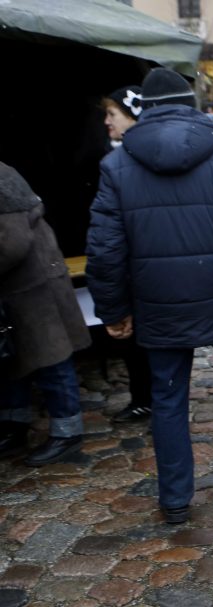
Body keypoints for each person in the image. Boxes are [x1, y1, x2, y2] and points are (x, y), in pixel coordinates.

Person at [86, 68, 213, 524]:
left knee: (168, 396)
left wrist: (113, 308)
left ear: (146, 109)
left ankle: (175, 495)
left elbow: (105, 247)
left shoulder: (116, 166)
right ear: (192, 105)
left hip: (157, 298)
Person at [0, 162, 91, 466]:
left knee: (52, 359)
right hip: (19, 289)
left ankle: (68, 432)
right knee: (18, 361)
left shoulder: (2, 177)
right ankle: (14, 425)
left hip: (37, 286)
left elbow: (11, 243)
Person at [99, 85, 154, 423]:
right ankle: (148, 397)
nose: (106, 121)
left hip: (140, 267)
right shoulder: (116, 157)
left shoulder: (120, 163)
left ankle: (150, 399)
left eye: (112, 113)